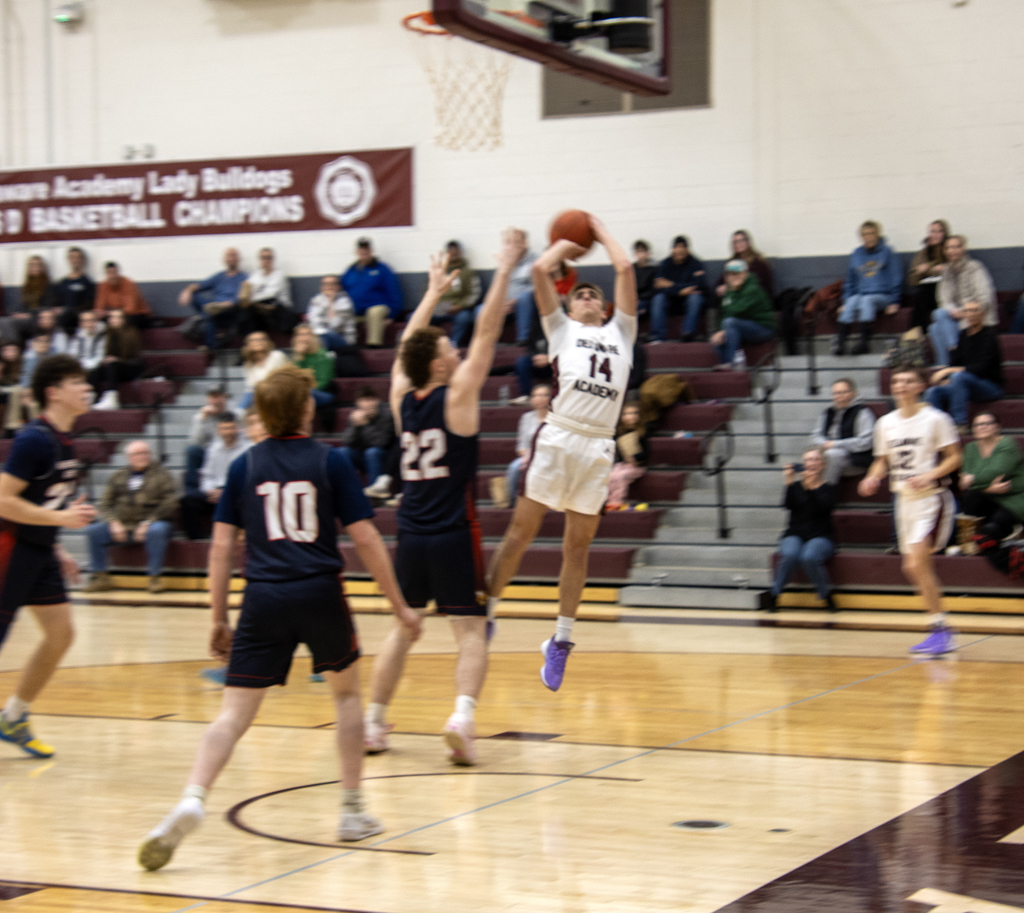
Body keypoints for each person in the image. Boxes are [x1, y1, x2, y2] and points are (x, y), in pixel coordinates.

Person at [137, 365, 422, 871]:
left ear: (263, 415)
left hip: (262, 598)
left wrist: (217, 617)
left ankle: (193, 797)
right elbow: (367, 538)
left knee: (232, 715)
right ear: (307, 409)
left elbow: (221, 547)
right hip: (319, 592)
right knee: (348, 696)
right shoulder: (331, 461)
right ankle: (353, 811)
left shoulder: (242, 467)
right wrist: (399, 605)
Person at [363, 233, 517, 766]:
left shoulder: (402, 398)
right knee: (471, 631)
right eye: (449, 347)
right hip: (454, 531)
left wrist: (430, 293)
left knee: (403, 630)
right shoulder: (459, 395)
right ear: (438, 364)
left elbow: (408, 345)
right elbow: (491, 332)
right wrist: (504, 269)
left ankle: (373, 722)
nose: (455, 349)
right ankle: (462, 719)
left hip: (410, 534)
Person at [487, 215, 637, 692]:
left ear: (605, 306)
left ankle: (561, 641)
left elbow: (626, 268)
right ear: (570, 307)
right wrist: (566, 244)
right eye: (580, 294)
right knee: (520, 533)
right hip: (559, 435)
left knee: (578, 546)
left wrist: (598, 228)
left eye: (595, 294)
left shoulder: (622, 334)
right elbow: (537, 274)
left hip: (598, 445)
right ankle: (485, 612)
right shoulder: (561, 330)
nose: (588, 297)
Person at [0, 354, 96, 758]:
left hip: (38, 552)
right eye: (77, 382)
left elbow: (38, 499)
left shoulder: (65, 439)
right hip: (9, 551)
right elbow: (3, 500)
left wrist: (55, 546)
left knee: (62, 634)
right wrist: (61, 519)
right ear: (54, 393)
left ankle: (13, 717)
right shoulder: (34, 439)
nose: (86, 388)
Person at [858, 367, 962, 655]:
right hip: (903, 500)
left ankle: (941, 630)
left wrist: (930, 475)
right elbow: (882, 460)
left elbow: (955, 457)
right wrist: (873, 476)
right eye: (896, 381)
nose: (900, 385)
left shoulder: (936, 419)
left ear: (921, 386)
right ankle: (940, 628)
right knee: (911, 567)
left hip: (931, 497)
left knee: (916, 564)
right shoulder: (885, 423)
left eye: (907, 381)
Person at [82, 440, 177, 593]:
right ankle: (101, 577)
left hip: (153, 524)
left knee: (157, 530)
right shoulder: (119, 476)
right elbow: (105, 504)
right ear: (129, 457)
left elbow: (170, 503)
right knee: (94, 531)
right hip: (124, 525)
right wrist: (113, 522)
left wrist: (148, 522)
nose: (142, 456)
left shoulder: (162, 475)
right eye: (137, 454)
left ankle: (154, 578)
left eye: (145, 453)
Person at [760, 449, 838, 612]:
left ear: (823, 464)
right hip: (795, 533)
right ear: (803, 465)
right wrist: (788, 482)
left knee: (809, 557)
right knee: (789, 554)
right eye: (809, 460)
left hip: (821, 535)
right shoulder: (795, 486)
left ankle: (826, 595)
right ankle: (774, 595)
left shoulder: (829, 488)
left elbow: (823, 508)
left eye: (816, 460)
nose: (813, 463)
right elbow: (787, 505)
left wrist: (810, 489)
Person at [924, 301, 1003, 431]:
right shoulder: (962, 334)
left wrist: (949, 371)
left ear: (983, 314)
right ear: (964, 314)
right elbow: (956, 361)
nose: (971, 314)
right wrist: (949, 378)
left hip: (990, 386)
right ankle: (938, 429)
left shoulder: (990, 335)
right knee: (933, 391)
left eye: (975, 310)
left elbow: (981, 367)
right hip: (964, 384)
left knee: (959, 376)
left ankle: (959, 424)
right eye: (967, 311)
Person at [833, 221, 903, 356]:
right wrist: (846, 301)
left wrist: (895, 301)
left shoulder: (887, 252)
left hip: (883, 296)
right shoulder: (857, 253)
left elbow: (896, 278)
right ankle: (840, 344)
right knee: (852, 302)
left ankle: (864, 343)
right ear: (861, 236)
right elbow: (850, 281)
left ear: (877, 234)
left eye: (871, 233)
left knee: (867, 300)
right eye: (865, 234)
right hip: (861, 295)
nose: (868, 237)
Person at [930, 236, 998, 366]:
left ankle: (953, 355)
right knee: (935, 324)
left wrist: (965, 312)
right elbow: (943, 299)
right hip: (956, 318)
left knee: (936, 322)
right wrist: (953, 310)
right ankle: (944, 364)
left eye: (957, 246)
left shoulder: (975, 267)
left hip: (976, 317)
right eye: (949, 247)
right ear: (944, 251)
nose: (953, 250)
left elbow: (985, 297)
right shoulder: (947, 271)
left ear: (963, 249)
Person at [180, 415, 250, 540]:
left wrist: (226, 493)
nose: (227, 432)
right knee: (188, 500)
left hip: (237, 493)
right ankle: (198, 540)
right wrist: (210, 490)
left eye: (230, 428)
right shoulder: (213, 449)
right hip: (215, 492)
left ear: (237, 429)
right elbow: (207, 476)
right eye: (224, 429)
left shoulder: (247, 449)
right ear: (218, 431)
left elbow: (248, 478)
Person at [959, 414, 1024, 547]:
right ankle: (981, 538)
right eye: (978, 424)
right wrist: (988, 488)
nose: (982, 427)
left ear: (997, 427)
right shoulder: (971, 448)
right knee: (970, 498)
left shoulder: (1007, 444)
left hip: (1014, 496)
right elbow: (964, 482)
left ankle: (1001, 535)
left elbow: (995, 472)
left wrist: (973, 479)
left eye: (987, 423)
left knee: (997, 521)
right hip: (988, 495)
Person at [178, 248, 248, 350]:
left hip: (231, 310)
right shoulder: (219, 276)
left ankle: (210, 341)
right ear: (224, 259)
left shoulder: (244, 277)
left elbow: (244, 298)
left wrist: (228, 303)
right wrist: (187, 290)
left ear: (238, 258)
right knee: (197, 299)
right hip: (215, 309)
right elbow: (199, 285)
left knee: (210, 314)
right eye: (229, 255)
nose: (231, 258)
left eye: (234, 255)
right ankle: (210, 341)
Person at [710, 259, 776, 368]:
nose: (733, 276)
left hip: (764, 327)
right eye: (729, 274)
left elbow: (739, 310)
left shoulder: (752, 289)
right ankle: (726, 368)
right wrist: (719, 332)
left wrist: (723, 331)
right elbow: (725, 314)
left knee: (730, 323)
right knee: (717, 339)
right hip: (742, 326)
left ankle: (731, 362)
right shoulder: (731, 290)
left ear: (745, 273)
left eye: (736, 273)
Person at [810, 378, 876, 484]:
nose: (838, 396)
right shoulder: (827, 412)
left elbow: (866, 442)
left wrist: (835, 444)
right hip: (829, 454)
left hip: (855, 460)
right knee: (812, 457)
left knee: (831, 455)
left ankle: (825, 495)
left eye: (843, 392)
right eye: (835, 393)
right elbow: (815, 436)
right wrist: (825, 444)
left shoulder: (862, 412)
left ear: (853, 394)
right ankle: (810, 496)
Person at [341, 238, 403, 348]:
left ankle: (374, 346)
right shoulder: (350, 271)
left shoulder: (383, 269)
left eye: (366, 249)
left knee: (374, 312)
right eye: (361, 249)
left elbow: (393, 292)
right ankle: (346, 347)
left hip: (379, 309)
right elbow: (342, 291)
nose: (363, 252)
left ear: (371, 251)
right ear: (357, 251)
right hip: (357, 312)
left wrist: (392, 315)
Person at [340, 387, 396, 498]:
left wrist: (365, 424)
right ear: (358, 403)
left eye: (371, 399)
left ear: (377, 400)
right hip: (362, 456)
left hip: (385, 458)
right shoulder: (356, 416)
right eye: (364, 400)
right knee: (343, 452)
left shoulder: (386, 415)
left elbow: (381, 442)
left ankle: (374, 494)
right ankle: (347, 492)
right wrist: (356, 426)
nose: (368, 404)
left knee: (372, 452)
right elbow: (348, 441)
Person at [649, 235, 707, 343]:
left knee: (695, 297)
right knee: (658, 298)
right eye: (677, 247)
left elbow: (699, 285)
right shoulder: (665, 264)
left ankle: (688, 334)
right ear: (673, 249)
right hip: (671, 301)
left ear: (687, 250)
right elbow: (658, 287)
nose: (679, 250)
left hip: (688, 301)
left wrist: (671, 285)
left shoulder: (696, 263)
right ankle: (657, 337)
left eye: (682, 247)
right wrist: (679, 291)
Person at [503, 384, 551, 508]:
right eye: (535, 395)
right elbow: (522, 445)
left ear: (550, 398)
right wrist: (528, 456)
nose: (539, 398)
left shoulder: (556, 418)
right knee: (514, 468)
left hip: (551, 456)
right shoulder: (526, 418)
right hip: (530, 456)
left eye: (543, 395)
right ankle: (513, 502)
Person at [89, 310, 144, 411]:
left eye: (117, 317)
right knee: (95, 371)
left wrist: (117, 359)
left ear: (124, 320)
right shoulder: (106, 334)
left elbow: (133, 357)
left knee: (113, 365)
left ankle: (112, 398)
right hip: (114, 368)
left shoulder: (131, 333)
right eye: (111, 317)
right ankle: (91, 398)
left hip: (131, 367)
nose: (113, 320)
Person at [185, 386, 233, 496]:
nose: (215, 401)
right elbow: (194, 441)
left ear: (224, 398)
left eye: (218, 397)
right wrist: (202, 420)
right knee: (192, 450)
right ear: (208, 399)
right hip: (209, 453)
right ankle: (191, 491)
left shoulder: (234, 414)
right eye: (212, 397)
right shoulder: (200, 417)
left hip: (230, 451)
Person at [237, 247, 295, 337]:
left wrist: (251, 299)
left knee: (254, 306)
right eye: (263, 258)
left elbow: (269, 295)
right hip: (260, 310)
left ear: (273, 260)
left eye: (269, 258)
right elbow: (247, 294)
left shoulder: (279, 275)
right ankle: (248, 339)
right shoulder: (255, 275)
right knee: (241, 308)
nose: (266, 260)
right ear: (259, 260)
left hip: (278, 310)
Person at [907, 221, 950, 332]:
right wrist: (932, 270)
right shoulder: (923, 253)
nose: (935, 234)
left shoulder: (951, 249)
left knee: (926, 292)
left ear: (945, 233)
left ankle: (917, 330)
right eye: (932, 231)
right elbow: (912, 279)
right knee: (923, 292)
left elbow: (951, 269)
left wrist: (927, 269)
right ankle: (918, 332)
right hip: (929, 293)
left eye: (939, 231)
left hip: (948, 290)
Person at [605, 401, 649, 510]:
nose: (630, 417)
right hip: (622, 464)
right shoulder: (619, 432)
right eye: (626, 414)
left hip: (637, 466)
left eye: (633, 413)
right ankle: (607, 500)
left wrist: (635, 458)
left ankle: (616, 501)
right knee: (611, 475)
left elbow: (646, 453)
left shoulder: (642, 432)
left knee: (621, 476)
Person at [305, 275, 357, 352]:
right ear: (321, 287)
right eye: (325, 284)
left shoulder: (344, 302)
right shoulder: (316, 300)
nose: (328, 287)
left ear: (338, 286)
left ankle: (323, 360)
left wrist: (331, 303)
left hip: (343, 339)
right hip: (320, 335)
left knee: (323, 336)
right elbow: (313, 322)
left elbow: (335, 326)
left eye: (332, 284)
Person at [238, 331, 288, 410]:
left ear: (267, 342)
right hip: (260, 399)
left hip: (279, 395)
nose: (258, 342)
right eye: (254, 340)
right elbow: (250, 389)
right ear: (248, 345)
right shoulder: (248, 365)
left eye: (261, 339)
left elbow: (281, 380)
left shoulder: (277, 356)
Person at [94, 262, 151, 328]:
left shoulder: (128, 284)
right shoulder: (103, 286)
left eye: (114, 272)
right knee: (95, 321)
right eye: (109, 273)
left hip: (136, 314)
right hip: (114, 314)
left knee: (124, 320)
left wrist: (109, 313)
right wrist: (99, 313)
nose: (112, 276)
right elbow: (99, 307)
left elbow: (130, 309)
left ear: (118, 272)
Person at [434, 240, 480, 323]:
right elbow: (425, 292)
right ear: (446, 253)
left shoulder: (468, 273)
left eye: (455, 249)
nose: (453, 252)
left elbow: (474, 294)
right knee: (413, 317)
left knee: (464, 317)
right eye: (450, 249)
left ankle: (455, 337)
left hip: (458, 308)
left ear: (460, 252)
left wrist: (460, 306)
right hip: (438, 308)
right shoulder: (439, 272)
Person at [55, 247, 96, 335]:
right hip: (64, 317)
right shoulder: (63, 282)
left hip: (79, 315)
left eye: (78, 257)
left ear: (82, 260)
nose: (75, 260)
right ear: (69, 260)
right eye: (72, 257)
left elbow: (89, 302)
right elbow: (57, 301)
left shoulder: (87, 282)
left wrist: (75, 310)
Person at [632, 241, 658, 317]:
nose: (641, 255)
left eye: (642, 252)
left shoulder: (654, 268)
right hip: (634, 300)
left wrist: (640, 298)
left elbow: (654, 289)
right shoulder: (631, 269)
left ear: (648, 253)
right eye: (638, 252)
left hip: (648, 300)